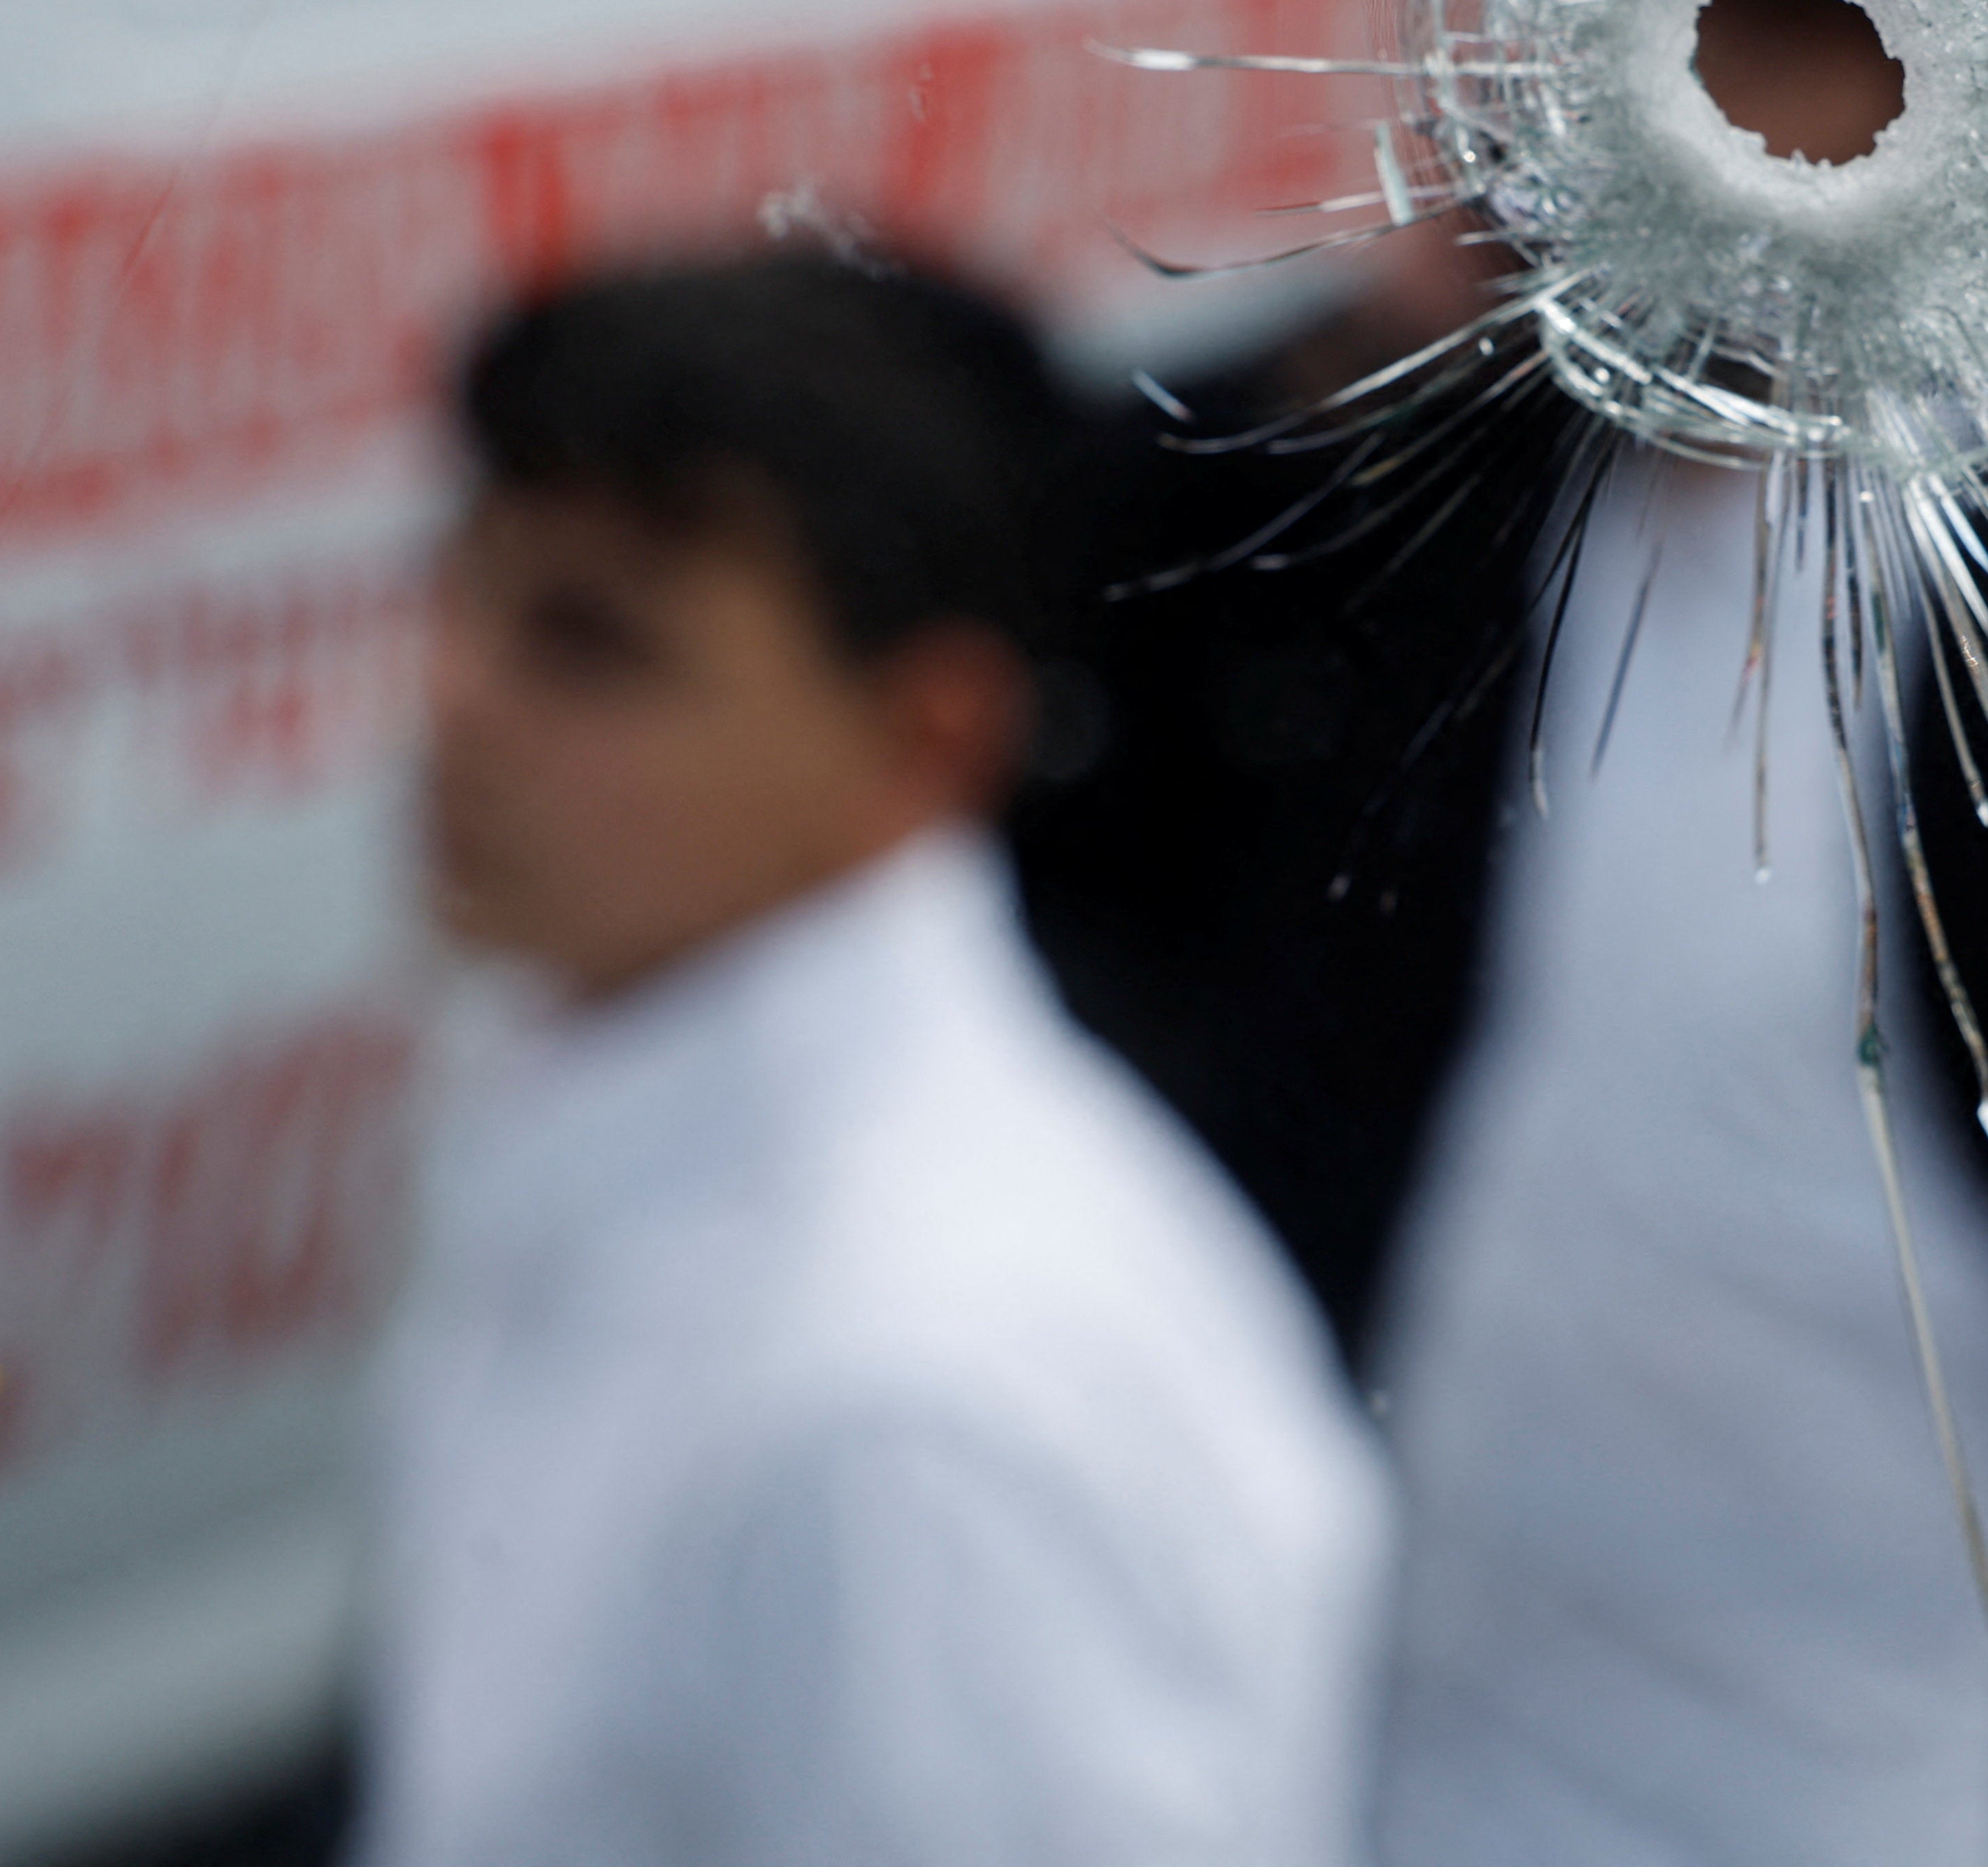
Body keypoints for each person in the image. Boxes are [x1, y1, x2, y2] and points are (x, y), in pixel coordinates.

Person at [1024, 0, 1988, 1866]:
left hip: (1888, 1750)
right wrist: (1360, 342)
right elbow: (1073, 648)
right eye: (1666, 95)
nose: (1722, 177)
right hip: (1426, 1710)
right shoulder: (1445, 521)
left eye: (1802, 101)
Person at [356, 250, 1390, 1867]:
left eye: (593, 643)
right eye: (464, 589)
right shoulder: (618, 1111)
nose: (455, 697)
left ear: (929, 737)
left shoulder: (909, 1404)